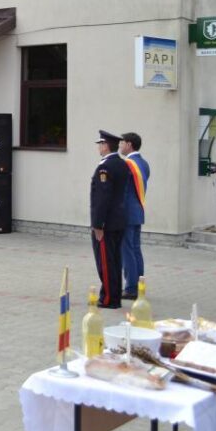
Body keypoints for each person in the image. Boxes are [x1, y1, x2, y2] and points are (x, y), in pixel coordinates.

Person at [90, 130, 129, 309]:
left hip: (106, 223)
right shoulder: (122, 164)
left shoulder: (105, 167)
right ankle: (113, 295)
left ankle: (109, 298)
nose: (99, 147)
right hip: (118, 219)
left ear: (106, 146)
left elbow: (102, 198)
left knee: (105, 261)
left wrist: (98, 224)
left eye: (100, 144)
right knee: (115, 260)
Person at [119, 132, 150, 298]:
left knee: (127, 250)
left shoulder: (128, 164)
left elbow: (122, 191)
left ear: (129, 144)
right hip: (138, 210)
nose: (120, 146)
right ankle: (140, 285)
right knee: (136, 249)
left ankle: (131, 288)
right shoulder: (143, 163)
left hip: (127, 213)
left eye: (122, 143)